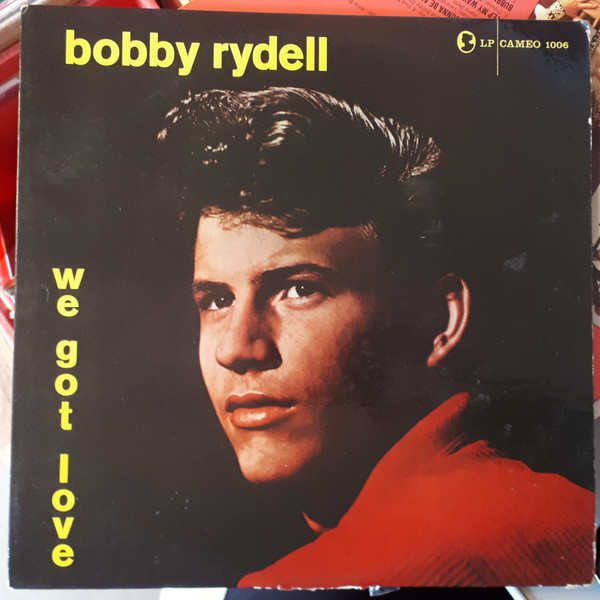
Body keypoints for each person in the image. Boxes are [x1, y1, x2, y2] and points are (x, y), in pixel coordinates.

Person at [157, 88, 594, 588]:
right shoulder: (561, 510)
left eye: (300, 289)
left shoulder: (327, 576)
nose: (235, 349)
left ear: (438, 319)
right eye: (217, 300)